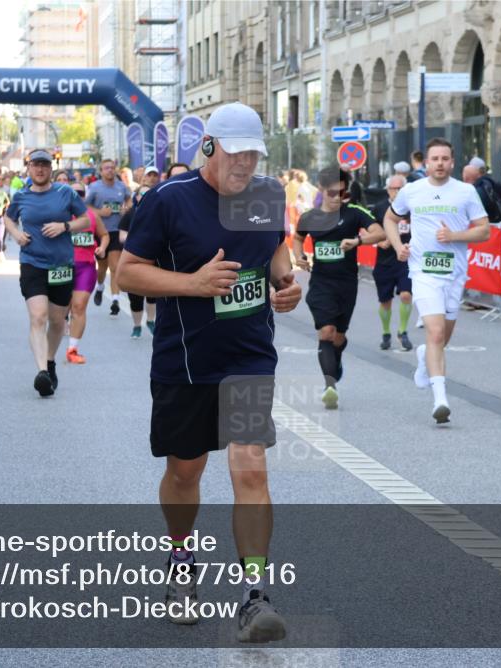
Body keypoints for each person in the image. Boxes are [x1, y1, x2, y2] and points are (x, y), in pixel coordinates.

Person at [116, 102, 301, 642]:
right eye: (237, 154)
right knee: (185, 473)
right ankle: (180, 559)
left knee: (250, 468)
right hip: (186, 361)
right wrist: (194, 284)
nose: (246, 165)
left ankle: (255, 595)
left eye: (254, 154)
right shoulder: (167, 201)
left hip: (248, 355)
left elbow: (275, 252)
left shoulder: (267, 196)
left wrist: (286, 284)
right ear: (211, 148)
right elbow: (127, 273)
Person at [384, 137, 490, 424]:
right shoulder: (412, 190)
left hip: (454, 273)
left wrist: (454, 236)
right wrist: (398, 247)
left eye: (445, 159)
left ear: (452, 162)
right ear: (426, 163)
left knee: (442, 337)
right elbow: (390, 220)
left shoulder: (466, 192)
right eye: (435, 159)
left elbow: (484, 231)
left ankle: (423, 357)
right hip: (423, 272)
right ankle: (440, 399)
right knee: (435, 333)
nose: (440, 163)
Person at [293, 167, 384, 409]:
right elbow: (298, 237)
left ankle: (336, 356)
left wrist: (358, 240)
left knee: (338, 337)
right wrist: (299, 256)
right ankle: (330, 386)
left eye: (342, 193)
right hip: (321, 284)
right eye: (332, 192)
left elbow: (379, 232)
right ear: (322, 190)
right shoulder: (310, 217)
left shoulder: (354, 213)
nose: (337, 198)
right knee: (326, 331)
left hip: (347, 284)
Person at [4, 149, 88, 397]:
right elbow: (8, 219)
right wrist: (17, 234)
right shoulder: (21, 195)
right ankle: (41, 371)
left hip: (61, 265)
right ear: (28, 168)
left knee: (57, 321)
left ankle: (50, 361)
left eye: (44, 165)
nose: (40, 169)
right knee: (38, 317)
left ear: (51, 168)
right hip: (32, 263)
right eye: (35, 165)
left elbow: (85, 219)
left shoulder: (66, 193)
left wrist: (65, 226)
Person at [85, 158, 132, 315]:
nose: (110, 170)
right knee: (102, 266)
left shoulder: (121, 186)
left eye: (112, 167)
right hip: (99, 231)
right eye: (106, 168)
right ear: (101, 171)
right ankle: (99, 286)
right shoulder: (95, 187)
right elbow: (85, 206)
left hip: (116, 231)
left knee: (115, 266)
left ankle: (115, 300)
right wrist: (100, 212)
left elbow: (129, 201)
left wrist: (126, 209)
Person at [373, 174, 414, 351]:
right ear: (388, 190)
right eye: (393, 188)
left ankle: (403, 331)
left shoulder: (411, 206)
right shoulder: (379, 208)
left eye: (400, 188)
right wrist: (381, 242)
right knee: (385, 301)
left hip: (405, 259)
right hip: (384, 260)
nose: (397, 192)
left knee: (406, 295)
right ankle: (386, 332)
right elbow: (370, 230)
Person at [65, 206, 109, 364]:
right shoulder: (58, 213)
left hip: (86, 266)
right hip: (62, 266)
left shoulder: (91, 215)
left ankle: (72, 349)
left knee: (79, 306)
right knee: (62, 307)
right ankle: (63, 319)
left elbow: (104, 235)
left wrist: (102, 248)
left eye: (81, 192)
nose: (77, 195)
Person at [118, 190, 156, 338]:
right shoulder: (130, 214)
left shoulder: (157, 212)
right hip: (134, 259)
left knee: (153, 293)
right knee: (135, 296)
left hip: (154, 259)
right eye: (143, 193)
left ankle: (151, 321)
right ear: (136, 196)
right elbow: (121, 237)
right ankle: (137, 325)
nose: (146, 196)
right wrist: (141, 238)